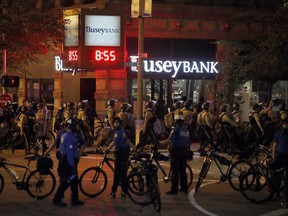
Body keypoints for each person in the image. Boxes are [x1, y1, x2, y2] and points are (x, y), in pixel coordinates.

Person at [52, 118, 85, 207]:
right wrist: (73, 166)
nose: (78, 127)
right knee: (68, 180)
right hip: (69, 161)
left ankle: (74, 199)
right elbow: (69, 154)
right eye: (76, 125)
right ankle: (57, 198)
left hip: (65, 159)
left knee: (74, 180)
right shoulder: (70, 138)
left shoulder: (65, 135)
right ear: (72, 127)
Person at [160, 113, 190, 195]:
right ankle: (184, 189)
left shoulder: (175, 129)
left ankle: (174, 189)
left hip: (176, 151)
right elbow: (188, 140)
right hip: (184, 151)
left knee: (175, 171)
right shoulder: (186, 129)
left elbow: (170, 140)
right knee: (183, 171)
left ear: (176, 121)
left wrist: (159, 143)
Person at [106, 117, 136, 198]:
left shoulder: (120, 131)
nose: (115, 124)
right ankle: (124, 191)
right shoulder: (120, 130)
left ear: (120, 123)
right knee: (123, 174)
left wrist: (107, 149)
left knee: (117, 174)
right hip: (123, 153)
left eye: (117, 122)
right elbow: (127, 141)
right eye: (115, 123)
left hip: (121, 154)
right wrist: (134, 148)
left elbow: (114, 141)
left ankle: (113, 192)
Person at [271, 118, 288, 208]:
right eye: (284, 124)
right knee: (276, 175)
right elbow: (274, 146)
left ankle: (285, 199)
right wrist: (274, 157)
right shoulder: (279, 133)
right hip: (280, 157)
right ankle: (276, 193)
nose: (286, 125)